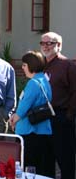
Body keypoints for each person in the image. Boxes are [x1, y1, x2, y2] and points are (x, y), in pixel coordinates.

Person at [9, 51, 54, 177]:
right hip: (43, 130)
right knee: (42, 167)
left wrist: (14, 120)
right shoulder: (44, 79)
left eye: (24, 65)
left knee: (30, 168)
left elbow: (24, 106)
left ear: (31, 65)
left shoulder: (33, 83)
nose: (22, 67)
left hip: (31, 131)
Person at [40, 32, 76, 179]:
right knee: (45, 162)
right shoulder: (41, 65)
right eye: (43, 43)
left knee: (65, 162)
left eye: (50, 43)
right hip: (42, 118)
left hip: (61, 118)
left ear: (59, 45)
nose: (46, 46)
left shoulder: (68, 65)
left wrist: (69, 115)